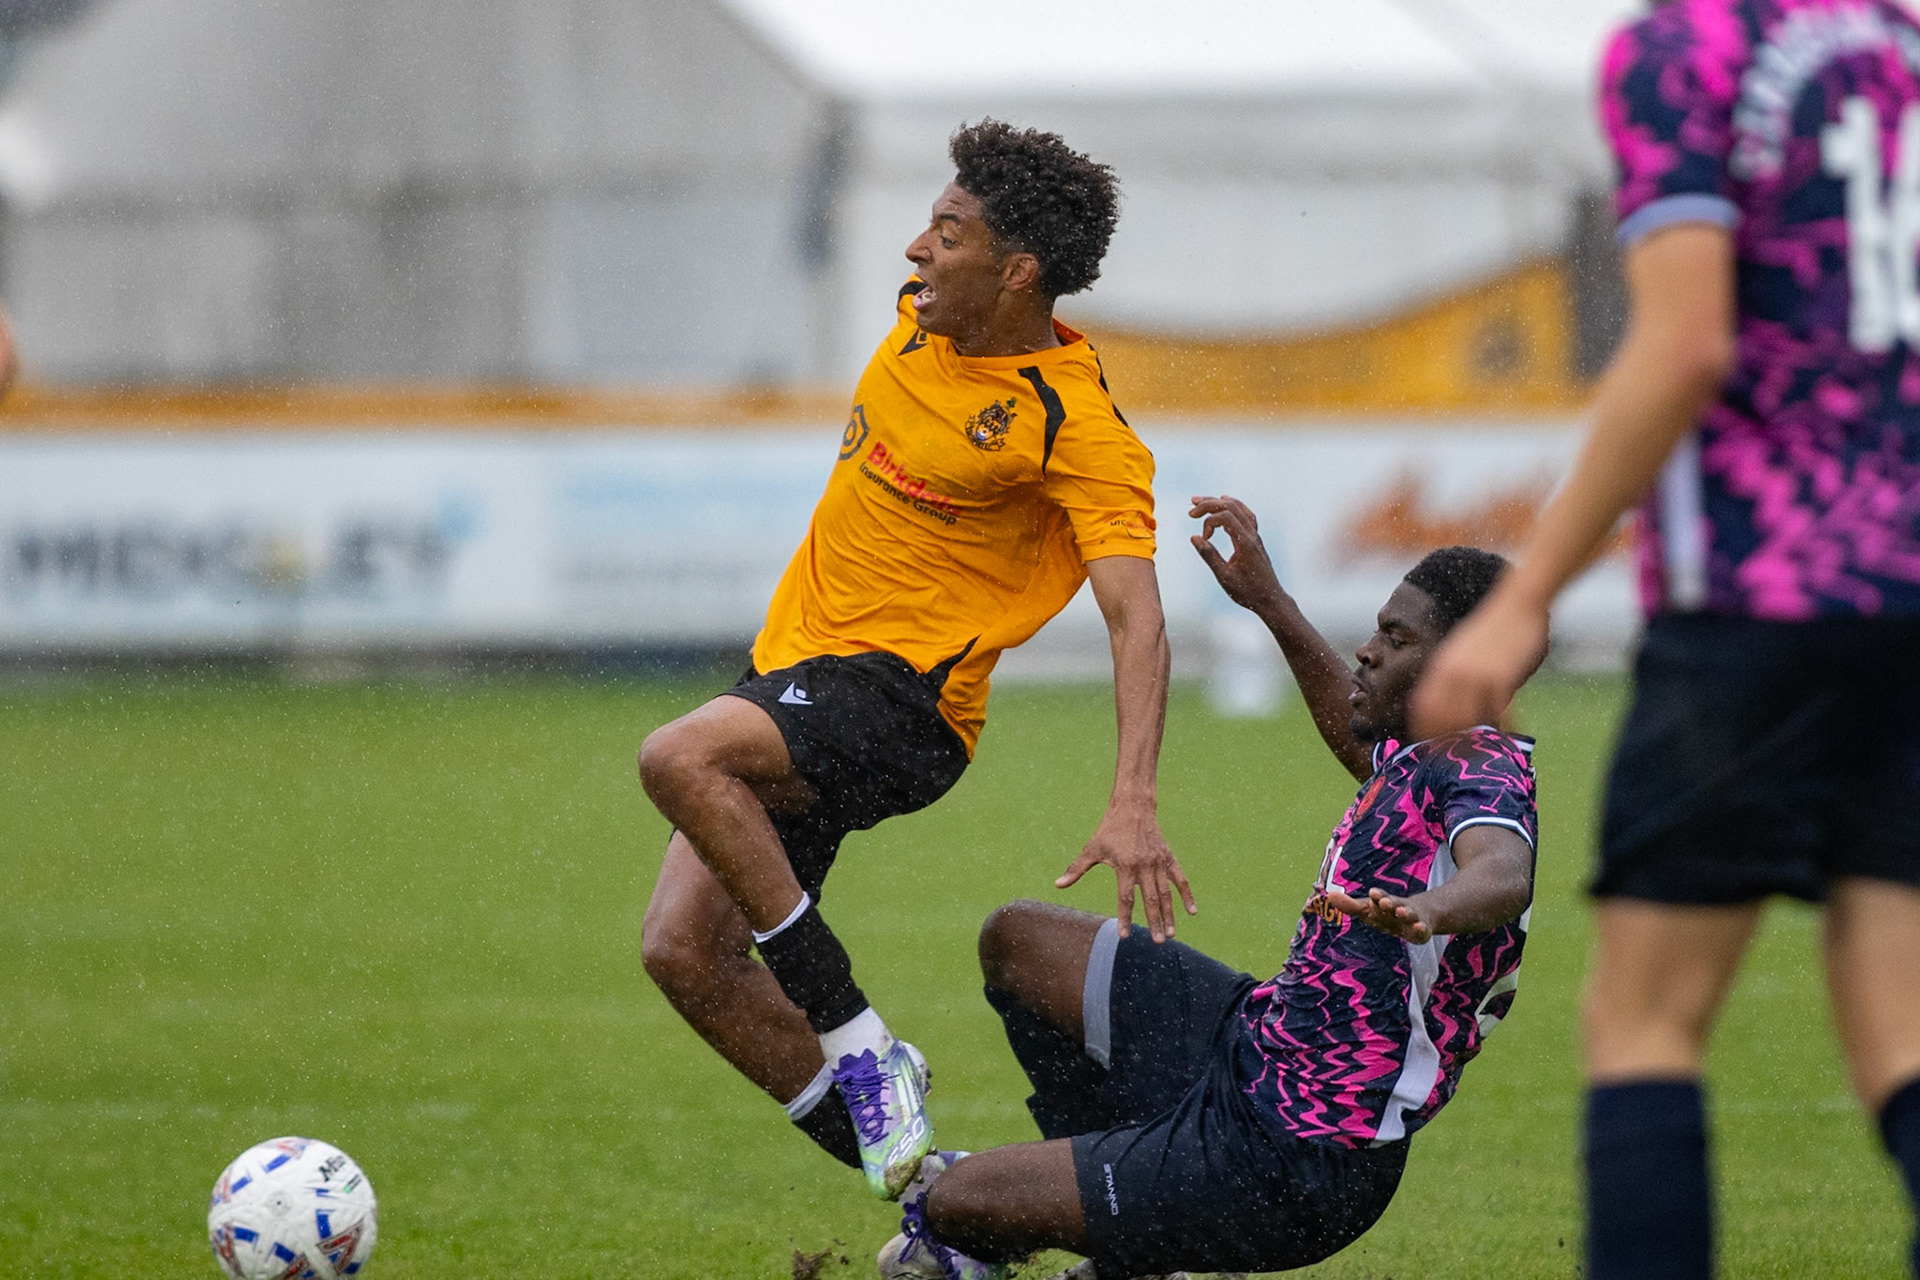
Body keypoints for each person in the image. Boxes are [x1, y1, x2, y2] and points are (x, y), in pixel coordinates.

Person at [1411, 2, 1920, 1275]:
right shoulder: (1897, 46)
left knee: (1645, 1021)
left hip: (1760, 599)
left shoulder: (1690, 48)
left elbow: (1687, 342)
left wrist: (1524, 596)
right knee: (1900, 1028)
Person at [637, 120, 1192, 1202]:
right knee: (684, 953)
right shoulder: (919, 317)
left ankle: (856, 1037)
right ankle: (946, 1210)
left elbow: (1139, 620)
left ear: (1017, 271)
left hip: (904, 706)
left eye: (948, 231)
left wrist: (1133, 799)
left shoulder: (1072, 423)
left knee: (678, 755)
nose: (915, 248)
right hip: (789, 679)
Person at [874, 517, 1538, 1279]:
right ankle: (1138, 1246)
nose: (1368, 649)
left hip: (1297, 1157)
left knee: (954, 1205)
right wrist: (1270, 601)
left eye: (1398, 638)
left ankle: (1134, 1234)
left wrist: (1435, 909)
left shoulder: (1484, 770)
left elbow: (1503, 871)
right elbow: (1356, 736)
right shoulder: (1427, 752)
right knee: (1018, 940)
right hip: (1253, 1047)